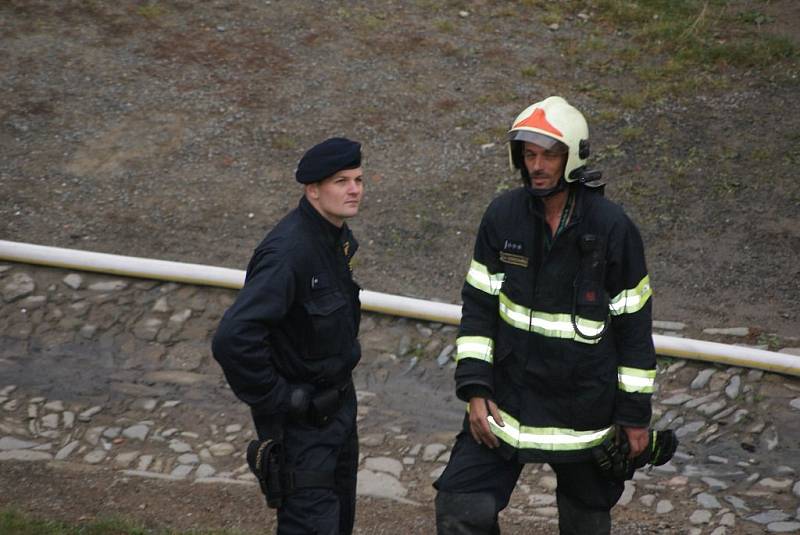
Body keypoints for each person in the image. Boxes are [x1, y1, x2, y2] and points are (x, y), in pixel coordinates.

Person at [434, 97, 659, 534]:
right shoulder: (502, 216)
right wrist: (476, 389)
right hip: (507, 404)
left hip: (585, 415)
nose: (537, 165)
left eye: (549, 155)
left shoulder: (613, 229)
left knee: (586, 524)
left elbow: (634, 327)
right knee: (461, 510)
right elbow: (478, 308)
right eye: (529, 154)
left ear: (572, 157)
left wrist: (634, 416)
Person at [212, 137, 364, 535]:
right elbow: (233, 338)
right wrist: (282, 398)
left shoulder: (333, 239)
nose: (354, 190)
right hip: (301, 427)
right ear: (312, 190)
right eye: (341, 181)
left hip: (337, 415)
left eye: (358, 180)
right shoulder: (289, 252)